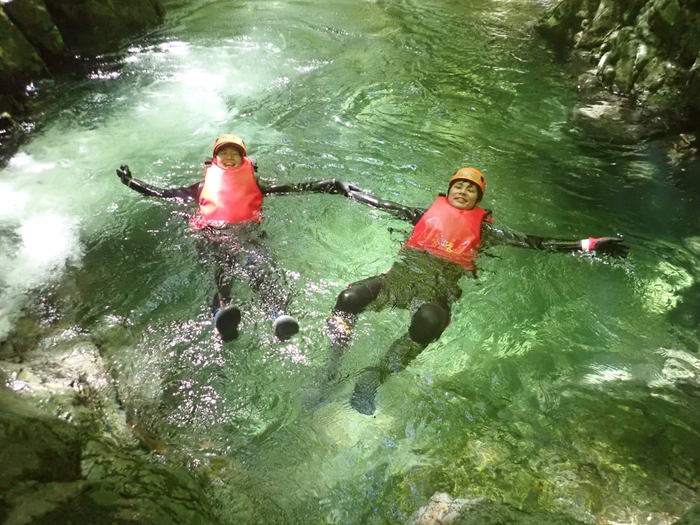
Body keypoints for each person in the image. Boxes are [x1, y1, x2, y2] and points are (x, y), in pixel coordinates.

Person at [325, 167, 628, 414]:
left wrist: (587, 245)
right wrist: (346, 190)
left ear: (478, 199)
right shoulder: (421, 215)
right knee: (349, 298)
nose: (463, 191)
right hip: (399, 280)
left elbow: (537, 242)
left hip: (437, 292)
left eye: (471, 189)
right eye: (458, 185)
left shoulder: (486, 232)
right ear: (449, 189)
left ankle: (375, 376)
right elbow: (379, 203)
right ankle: (331, 367)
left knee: (430, 322)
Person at [116, 133, 356, 342]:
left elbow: (294, 187)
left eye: (235, 153)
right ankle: (221, 313)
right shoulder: (201, 187)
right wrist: (131, 182)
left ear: (244, 159)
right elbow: (164, 194)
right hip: (213, 234)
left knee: (258, 269)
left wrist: (332, 184)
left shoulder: (256, 184)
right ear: (215, 159)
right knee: (222, 269)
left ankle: (278, 316)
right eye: (224, 153)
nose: (229, 157)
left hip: (247, 233)